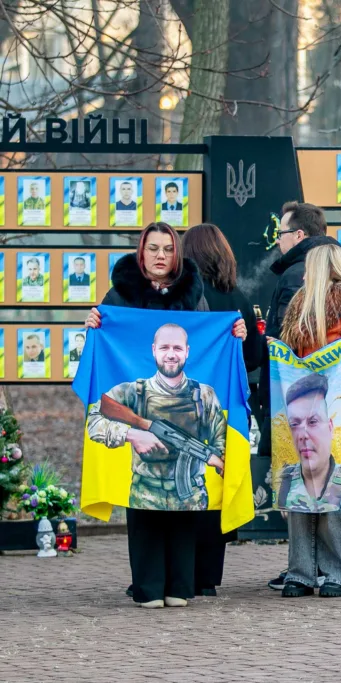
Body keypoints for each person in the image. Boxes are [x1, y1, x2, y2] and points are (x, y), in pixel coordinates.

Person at [84, 221, 247, 609]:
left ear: (178, 254)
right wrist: (93, 325)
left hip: (186, 410)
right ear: (141, 253)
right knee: (143, 501)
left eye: (168, 249)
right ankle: (147, 586)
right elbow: (107, 347)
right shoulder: (119, 294)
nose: (160, 256)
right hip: (139, 409)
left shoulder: (193, 292)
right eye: (153, 248)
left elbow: (206, 340)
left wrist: (233, 334)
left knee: (183, 499)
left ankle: (179, 584)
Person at [278, 243, 341, 597]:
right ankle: (301, 572)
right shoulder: (298, 308)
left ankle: (340, 573)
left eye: (308, 268)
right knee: (301, 488)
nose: (303, 275)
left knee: (337, 486)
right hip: (302, 409)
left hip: (336, 410)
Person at [259, 201, 338, 591]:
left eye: (282, 234)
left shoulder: (296, 274)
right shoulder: (321, 268)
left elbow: (291, 340)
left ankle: (308, 567)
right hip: (314, 396)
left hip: (297, 393)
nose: (278, 242)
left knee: (304, 477)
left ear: (300, 237)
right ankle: (309, 566)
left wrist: (264, 346)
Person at [182, 223, 263, 597]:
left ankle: (180, 571)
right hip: (225, 411)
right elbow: (253, 357)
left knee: (183, 485)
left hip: (183, 408)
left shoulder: (181, 299)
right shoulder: (238, 299)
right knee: (217, 487)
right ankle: (208, 577)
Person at [86, 323, 227, 511]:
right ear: (153, 350)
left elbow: (222, 439)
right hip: (143, 496)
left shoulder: (204, 395)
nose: (171, 354)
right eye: (164, 348)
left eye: (177, 348)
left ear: (187, 351)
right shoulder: (133, 392)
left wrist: (220, 459)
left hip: (192, 499)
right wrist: (132, 434)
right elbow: (94, 421)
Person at [275, 374, 341, 512]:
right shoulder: (285, 483)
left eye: (313, 422)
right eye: (295, 424)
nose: (303, 435)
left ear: (330, 427)